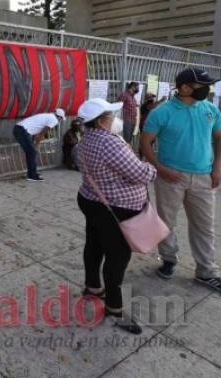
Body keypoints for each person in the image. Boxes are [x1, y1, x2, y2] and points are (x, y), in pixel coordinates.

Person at [141, 68, 221, 294]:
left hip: (204, 177)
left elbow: (220, 138)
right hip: (171, 177)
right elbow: (145, 142)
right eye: (203, 85)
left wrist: (218, 168)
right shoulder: (162, 112)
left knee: (204, 226)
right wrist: (161, 168)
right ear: (184, 87)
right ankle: (169, 259)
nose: (207, 89)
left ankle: (206, 272)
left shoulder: (211, 110)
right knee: (166, 222)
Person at [76, 98, 157, 335]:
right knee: (117, 255)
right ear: (101, 122)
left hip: (91, 200)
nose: (113, 119)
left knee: (94, 244)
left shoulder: (85, 140)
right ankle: (113, 306)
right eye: (110, 116)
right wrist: (151, 168)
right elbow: (139, 174)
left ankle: (92, 287)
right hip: (115, 207)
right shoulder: (110, 143)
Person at [13, 108, 66, 182]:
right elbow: (40, 135)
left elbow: (37, 132)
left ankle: (31, 173)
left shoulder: (47, 116)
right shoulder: (54, 120)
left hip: (19, 129)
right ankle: (32, 175)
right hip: (22, 131)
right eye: (60, 119)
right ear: (59, 117)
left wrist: (35, 144)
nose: (60, 120)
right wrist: (36, 146)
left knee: (30, 153)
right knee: (32, 152)